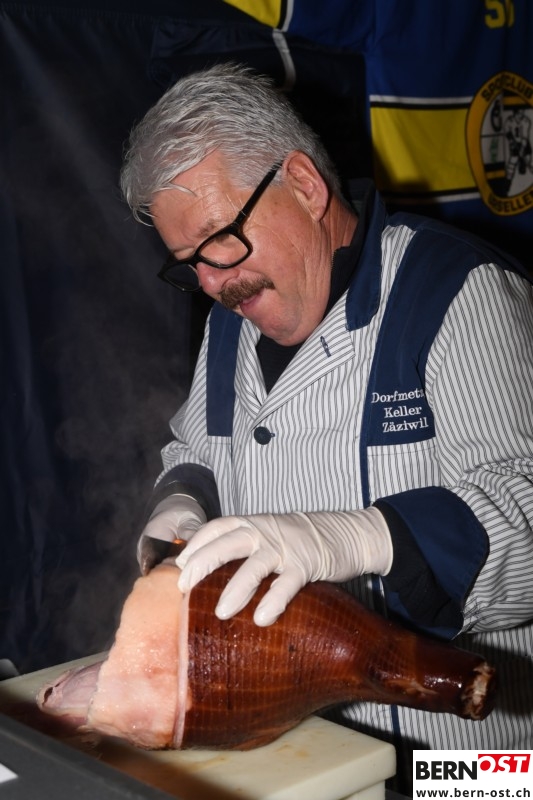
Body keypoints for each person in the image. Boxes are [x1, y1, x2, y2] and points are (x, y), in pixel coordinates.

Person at [120, 62, 533, 790]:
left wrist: (360, 537)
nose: (212, 284)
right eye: (189, 265)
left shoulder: (457, 291)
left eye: (220, 241)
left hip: (468, 760)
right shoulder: (233, 323)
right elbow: (196, 447)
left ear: (305, 186)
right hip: (300, 754)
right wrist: (180, 498)